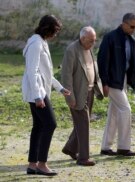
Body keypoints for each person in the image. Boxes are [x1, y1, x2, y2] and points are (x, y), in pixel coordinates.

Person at [22, 15, 71, 176]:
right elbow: (32, 71)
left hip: (39, 91)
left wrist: (60, 88)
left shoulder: (41, 42)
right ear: (47, 28)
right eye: (55, 31)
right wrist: (38, 96)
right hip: (37, 92)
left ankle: (32, 165)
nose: (56, 34)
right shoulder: (36, 43)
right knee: (50, 124)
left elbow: (46, 72)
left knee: (39, 126)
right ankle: (42, 164)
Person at [97, 13, 135, 156]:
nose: (134, 29)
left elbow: (134, 62)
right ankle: (124, 147)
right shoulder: (110, 37)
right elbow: (102, 61)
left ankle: (105, 148)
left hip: (123, 80)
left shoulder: (132, 40)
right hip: (112, 81)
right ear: (123, 23)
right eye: (132, 26)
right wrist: (104, 82)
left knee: (113, 113)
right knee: (125, 110)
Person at [61, 26, 103, 166]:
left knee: (82, 123)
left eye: (94, 41)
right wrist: (69, 97)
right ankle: (83, 158)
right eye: (91, 41)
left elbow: (92, 68)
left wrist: (99, 87)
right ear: (82, 38)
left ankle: (70, 148)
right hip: (77, 94)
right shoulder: (71, 50)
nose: (93, 44)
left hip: (90, 91)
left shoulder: (89, 47)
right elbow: (66, 76)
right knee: (84, 124)